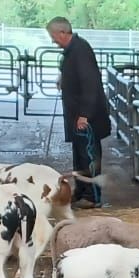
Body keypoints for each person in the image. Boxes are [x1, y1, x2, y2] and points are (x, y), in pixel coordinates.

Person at [48, 17, 108, 208]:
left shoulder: (80, 51)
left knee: (89, 155)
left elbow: (90, 84)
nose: (53, 41)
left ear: (63, 33)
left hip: (86, 117)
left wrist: (85, 114)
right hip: (77, 115)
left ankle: (93, 195)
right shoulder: (72, 50)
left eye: (54, 36)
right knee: (80, 154)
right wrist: (63, 78)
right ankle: (82, 190)